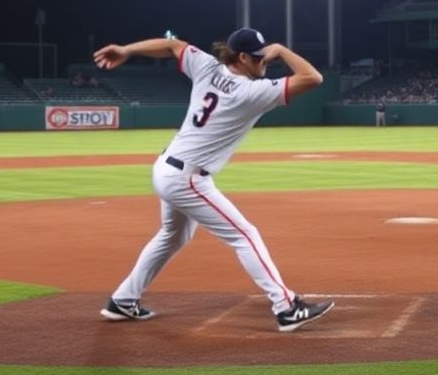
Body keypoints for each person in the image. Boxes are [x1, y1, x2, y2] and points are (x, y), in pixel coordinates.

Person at [92, 27, 334, 332]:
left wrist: (127, 49)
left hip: (166, 167)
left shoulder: (206, 66)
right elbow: (313, 78)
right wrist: (282, 50)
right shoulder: (252, 93)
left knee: (173, 235)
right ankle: (286, 307)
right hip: (188, 178)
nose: (266, 63)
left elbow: (171, 45)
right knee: (245, 235)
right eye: (260, 58)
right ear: (243, 57)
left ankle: (123, 300)